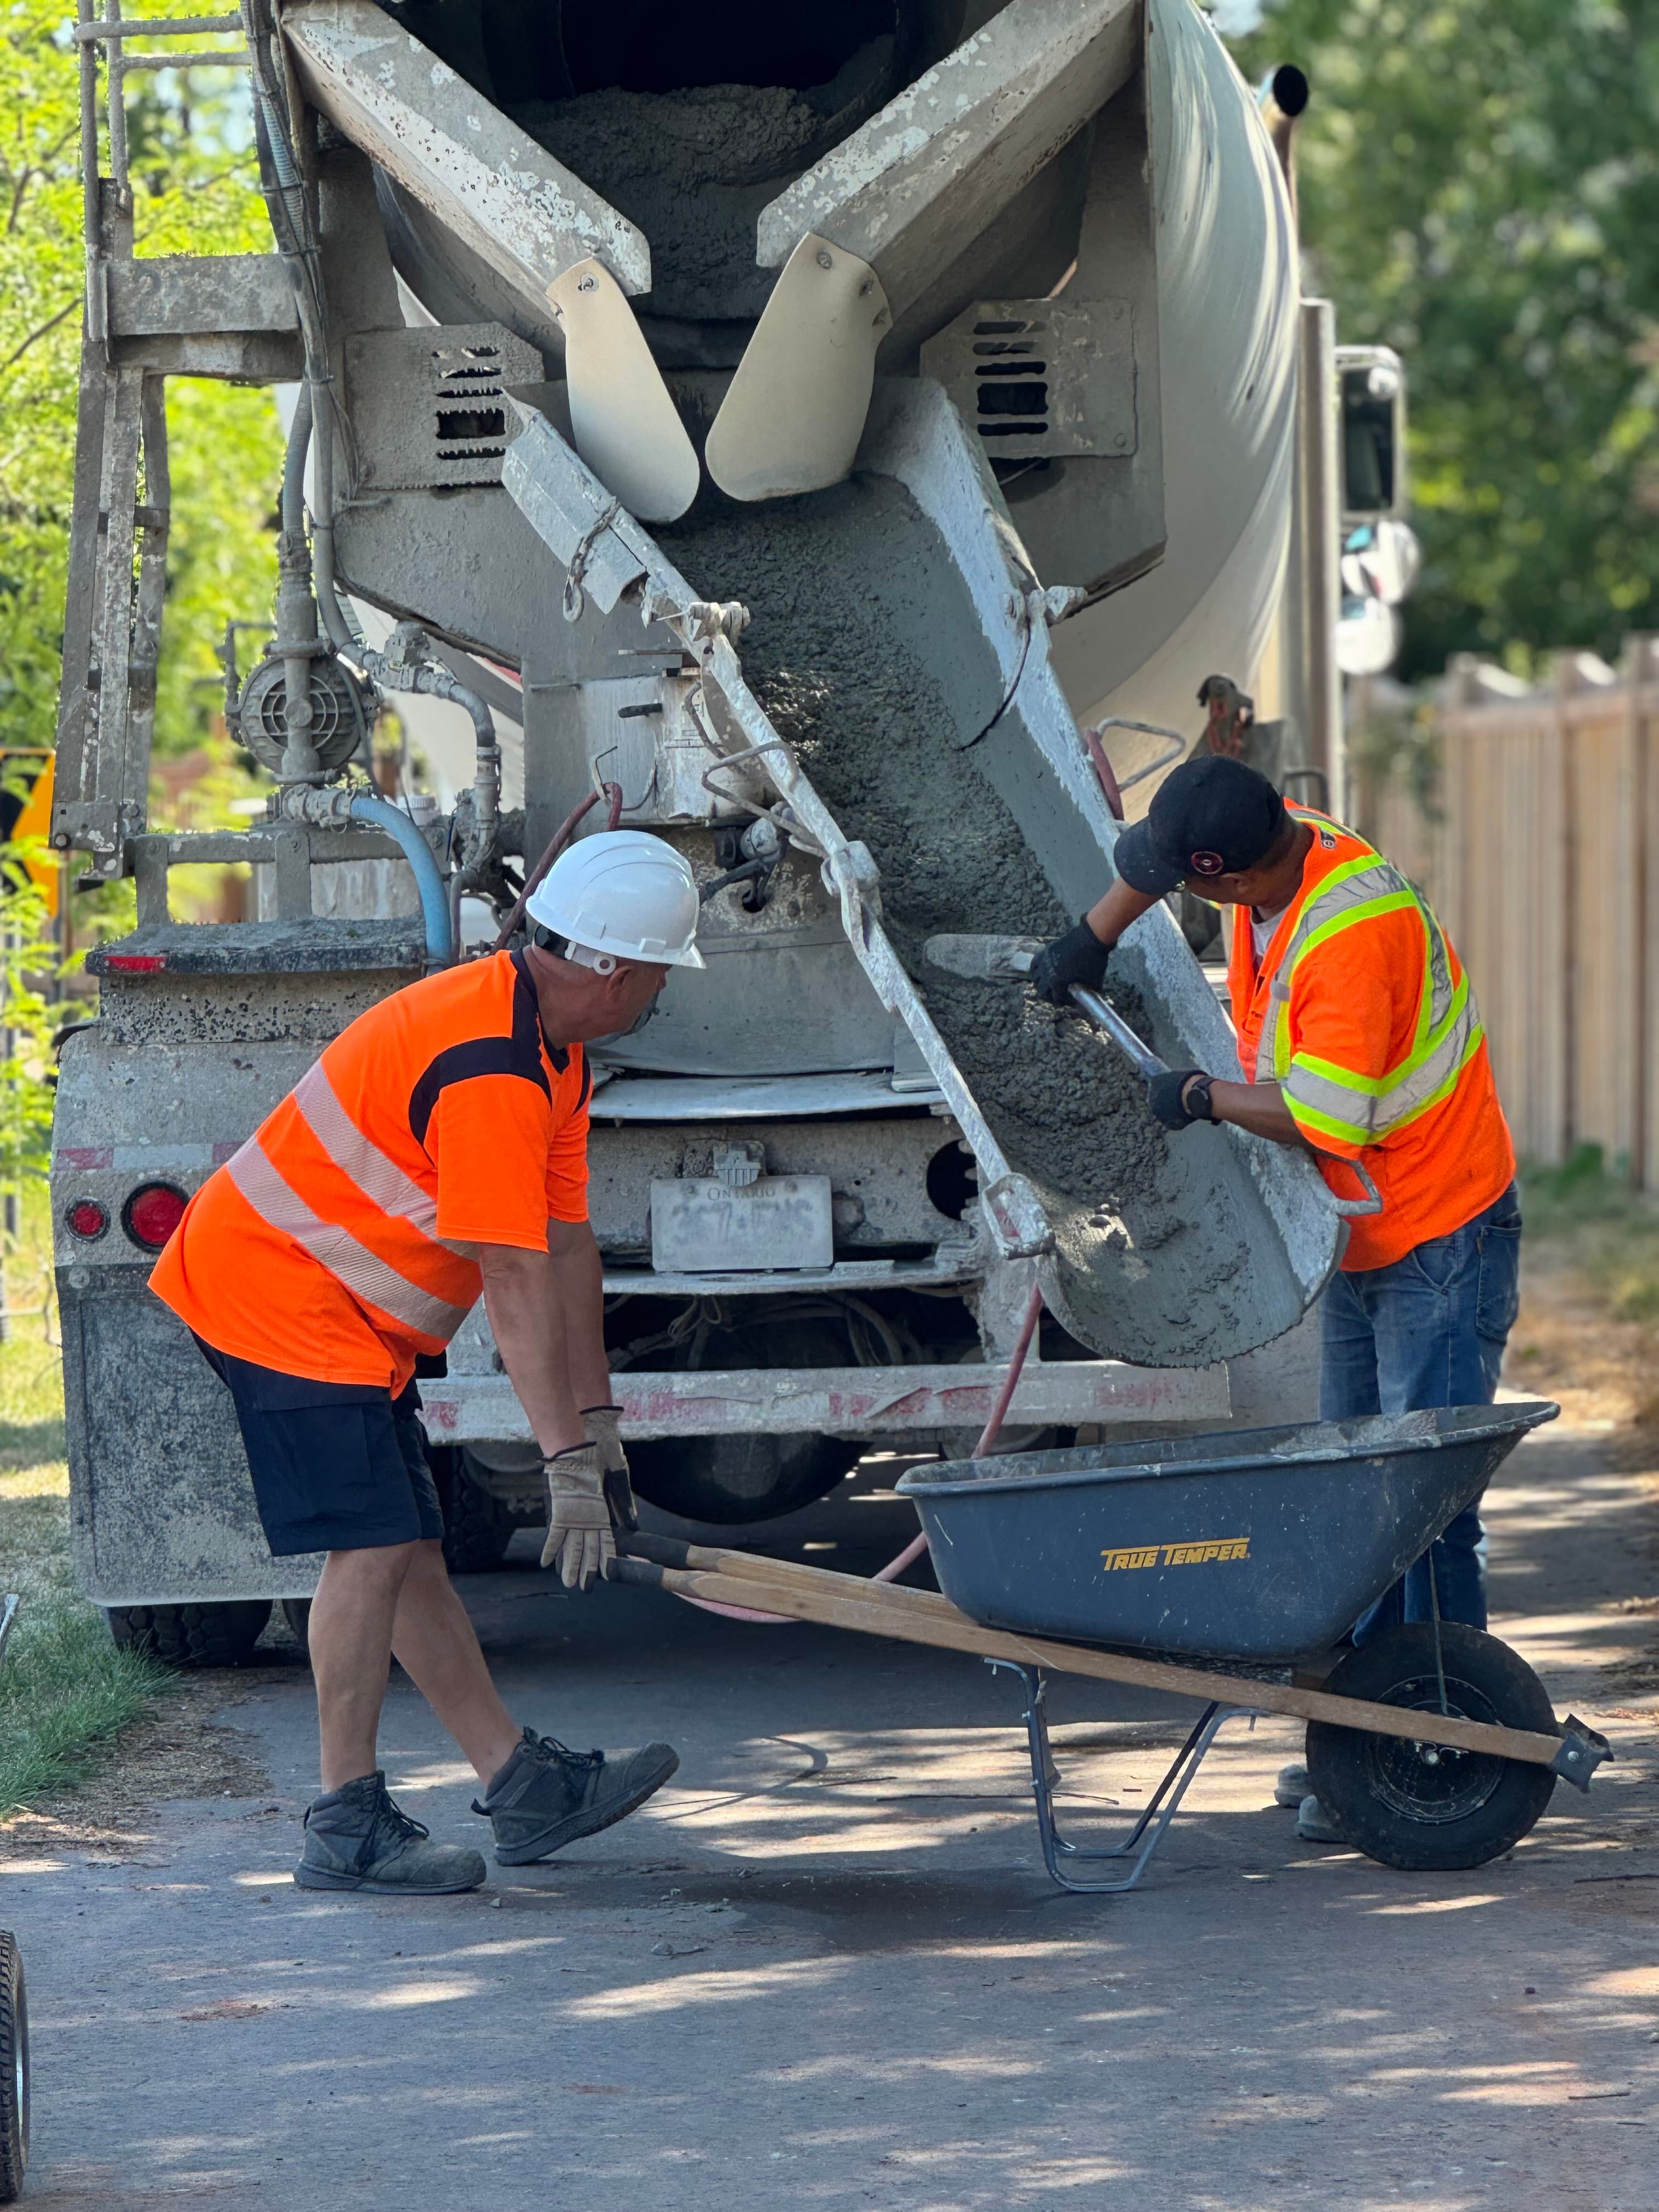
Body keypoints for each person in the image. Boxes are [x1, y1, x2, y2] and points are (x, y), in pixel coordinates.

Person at [149, 830, 706, 1895]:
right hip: (280, 1292)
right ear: (609, 967)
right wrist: (561, 1468)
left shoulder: (552, 1053)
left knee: (405, 1547)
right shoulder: (493, 1064)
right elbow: (509, 1276)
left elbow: (568, 1249)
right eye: (654, 978)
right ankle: (344, 1822)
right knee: (371, 1547)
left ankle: (521, 1786)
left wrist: (599, 1428)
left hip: (333, 1309)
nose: (653, 1000)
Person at [1031, 755, 1521, 1842]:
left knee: (1424, 1515)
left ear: (1233, 875)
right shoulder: (1273, 839)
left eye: (1188, 881)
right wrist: (1092, 938)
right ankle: (1363, 1730)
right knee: (1360, 1511)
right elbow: (1153, 872)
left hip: (1441, 1231)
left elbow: (1326, 1120)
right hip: (1365, 1230)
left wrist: (1202, 1095)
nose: (1178, 891)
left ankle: (1437, 1744)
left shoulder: (1352, 937)